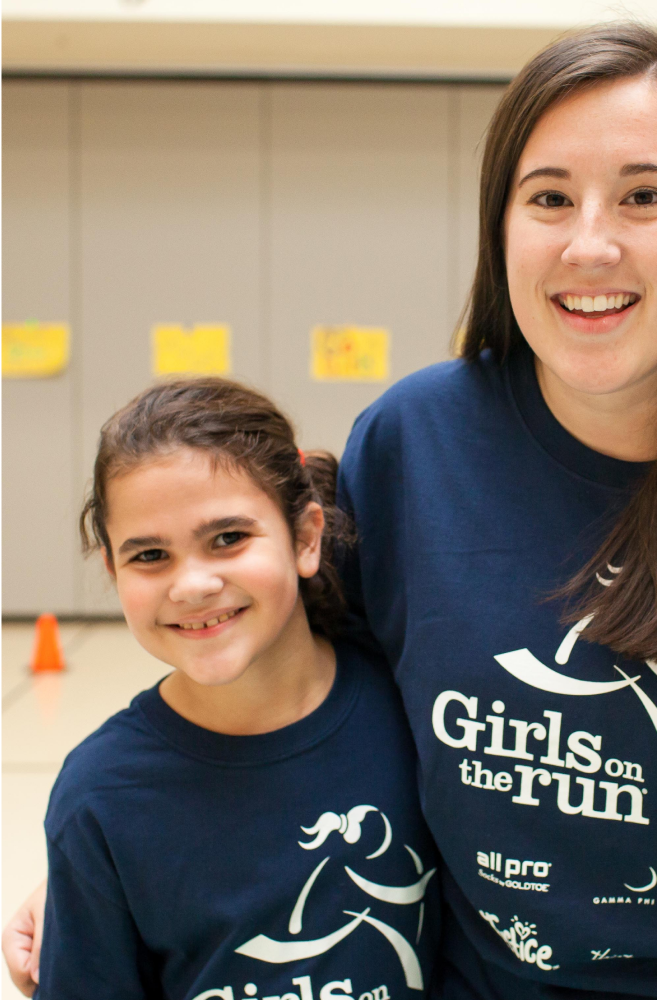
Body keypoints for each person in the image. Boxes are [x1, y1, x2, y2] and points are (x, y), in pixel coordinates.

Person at [6, 22, 657, 1001]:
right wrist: (105, 855)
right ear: (501, 231)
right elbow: (282, 681)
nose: (590, 241)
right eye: (548, 198)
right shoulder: (411, 444)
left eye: (643, 196)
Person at [24, 378, 439, 1000]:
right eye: (149, 556)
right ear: (111, 569)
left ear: (304, 538)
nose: (191, 584)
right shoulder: (103, 794)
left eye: (227, 539)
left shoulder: (415, 714)